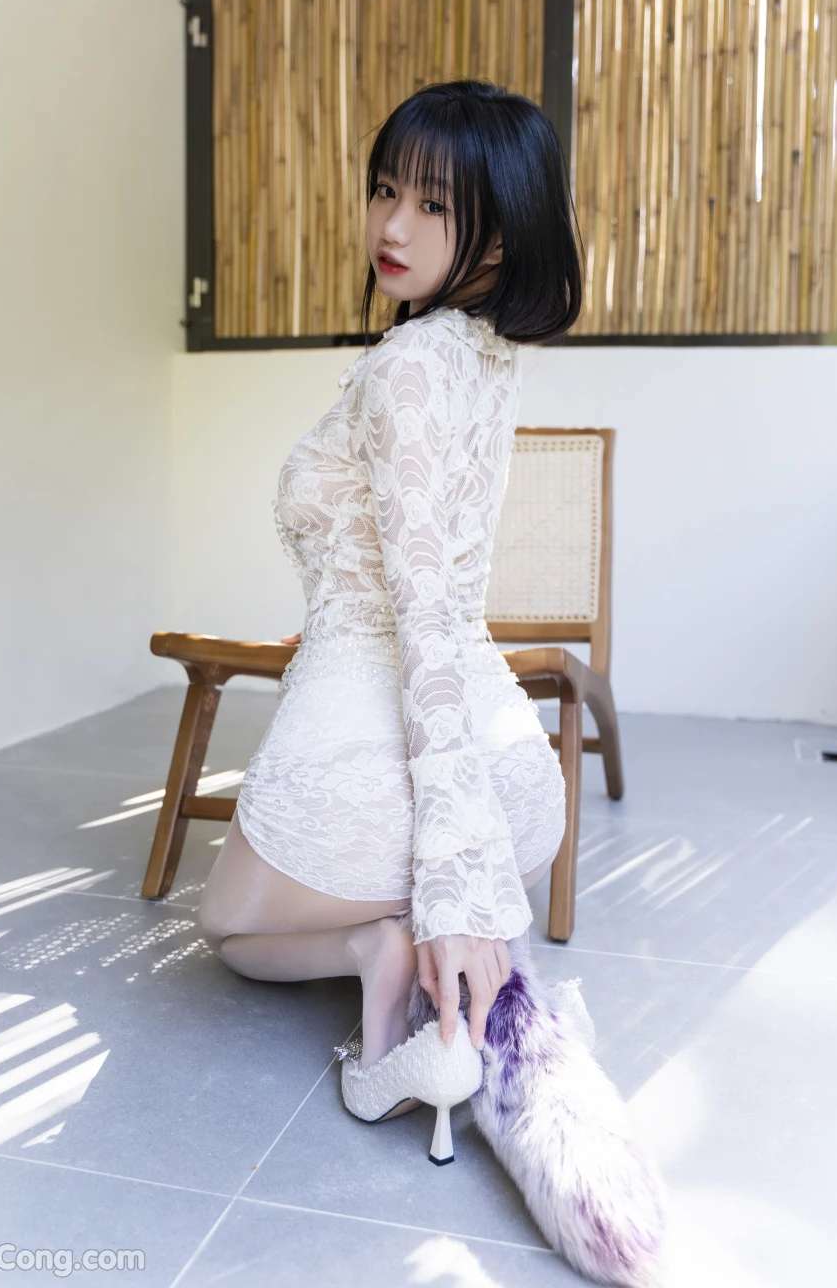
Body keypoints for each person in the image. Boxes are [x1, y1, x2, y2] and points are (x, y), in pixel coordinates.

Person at [197, 78, 583, 1077]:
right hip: (516, 784)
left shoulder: (410, 365)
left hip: (372, 783)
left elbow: (419, 611)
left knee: (229, 927)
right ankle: (403, 913)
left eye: (434, 204)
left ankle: (379, 945)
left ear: (498, 238)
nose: (393, 225)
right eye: (384, 190)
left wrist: (456, 883)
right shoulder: (486, 357)